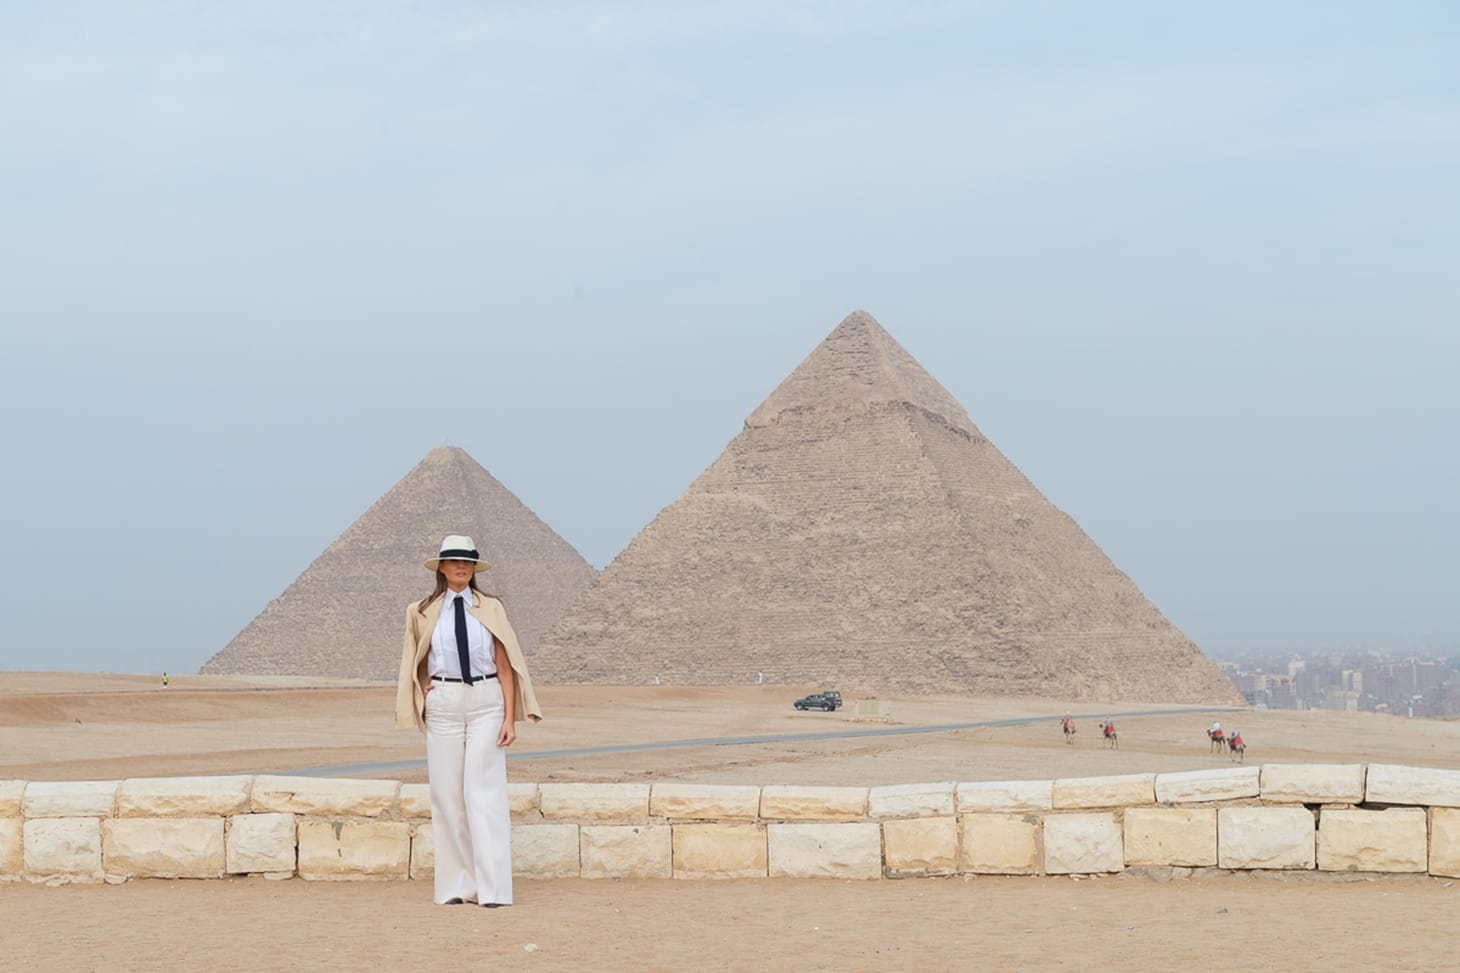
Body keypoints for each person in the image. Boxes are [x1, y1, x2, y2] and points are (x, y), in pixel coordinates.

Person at [395, 535, 542, 907]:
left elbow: (505, 663)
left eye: (469, 562)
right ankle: (457, 887)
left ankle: (493, 889)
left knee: (485, 792)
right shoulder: (420, 610)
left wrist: (510, 718)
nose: (462, 567)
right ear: (441, 567)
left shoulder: (491, 607)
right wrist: (426, 688)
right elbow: (416, 656)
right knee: (446, 795)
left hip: (487, 702)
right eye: (454, 561)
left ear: (475, 568)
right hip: (444, 703)